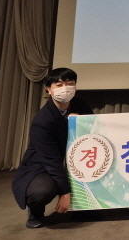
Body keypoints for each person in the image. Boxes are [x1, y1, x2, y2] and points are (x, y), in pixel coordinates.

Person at [12, 68, 93, 229]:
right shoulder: (43, 120)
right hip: (44, 165)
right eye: (59, 85)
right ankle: (35, 210)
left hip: (78, 158)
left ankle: (82, 208)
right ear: (49, 90)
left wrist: (82, 122)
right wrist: (65, 193)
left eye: (70, 83)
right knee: (41, 191)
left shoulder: (80, 104)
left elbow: (95, 127)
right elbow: (51, 161)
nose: (65, 88)